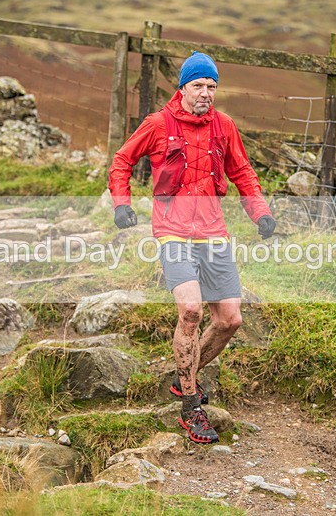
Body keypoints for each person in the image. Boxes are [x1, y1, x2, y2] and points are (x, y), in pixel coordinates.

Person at [108, 51, 276, 444]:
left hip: (213, 232)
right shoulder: (158, 124)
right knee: (190, 310)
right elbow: (122, 161)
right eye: (198, 85)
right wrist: (121, 203)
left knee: (230, 319)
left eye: (212, 86)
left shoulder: (224, 126)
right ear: (182, 87)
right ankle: (190, 407)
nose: (206, 93)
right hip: (173, 231)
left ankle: (185, 376)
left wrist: (261, 213)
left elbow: (242, 172)